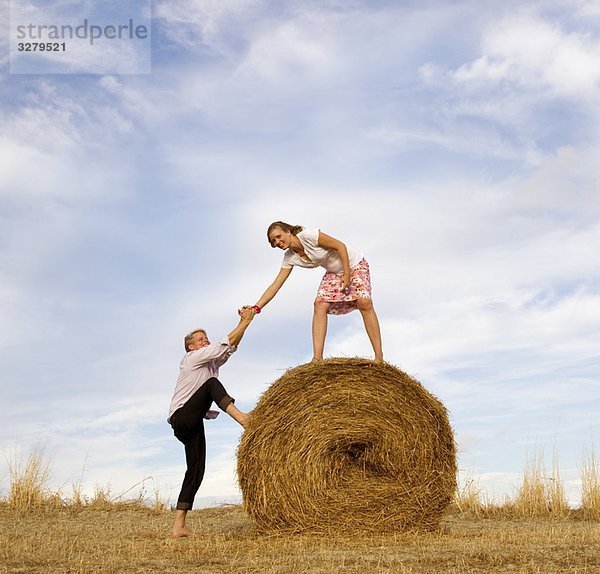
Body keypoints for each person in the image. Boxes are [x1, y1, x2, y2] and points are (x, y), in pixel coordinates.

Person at [167, 307, 255, 538]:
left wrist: (245, 322)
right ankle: (243, 418)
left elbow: (230, 348)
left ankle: (179, 526)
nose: (205, 341)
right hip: (182, 417)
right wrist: (246, 321)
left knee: (196, 471)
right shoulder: (191, 359)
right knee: (211, 385)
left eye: (206, 338)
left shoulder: (210, 364)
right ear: (191, 347)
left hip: (193, 422)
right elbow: (223, 344)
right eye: (200, 339)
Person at [246, 221, 383, 362]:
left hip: (354, 264)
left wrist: (347, 274)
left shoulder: (308, 236)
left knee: (364, 302)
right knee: (320, 304)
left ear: (288, 231)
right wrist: (256, 308)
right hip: (334, 272)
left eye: (279, 236)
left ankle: (379, 357)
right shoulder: (289, 257)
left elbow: (340, 246)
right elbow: (275, 285)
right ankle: (317, 358)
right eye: (273, 241)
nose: (278, 242)